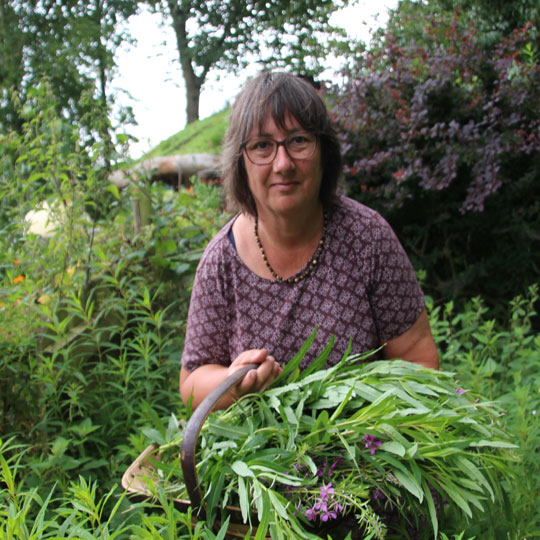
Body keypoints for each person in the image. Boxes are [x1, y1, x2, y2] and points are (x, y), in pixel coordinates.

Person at [180, 71, 439, 410]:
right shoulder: (220, 263)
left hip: (368, 450)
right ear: (240, 162)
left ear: (324, 153)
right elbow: (191, 383)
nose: (283, 163)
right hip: (264, 457)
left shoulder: (367, 238)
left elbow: (419, 360)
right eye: (262, 146)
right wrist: (233, 383)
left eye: (299, 140)